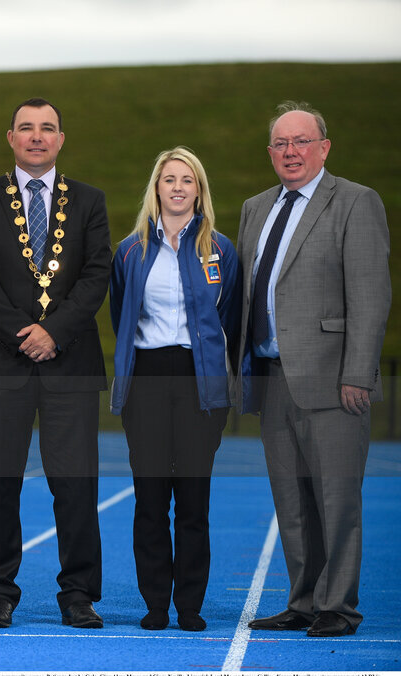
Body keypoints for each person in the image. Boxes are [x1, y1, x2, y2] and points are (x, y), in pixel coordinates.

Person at [237, 102, 390, 638]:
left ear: (324, 148)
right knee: (292, 501)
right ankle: (303, 600)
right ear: (271, 153)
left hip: (331, 378)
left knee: (336, 497)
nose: (291, 152)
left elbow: (371, 296)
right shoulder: (256, 207)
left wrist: (359, 373)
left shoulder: (354, 202)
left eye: (302, 141)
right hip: (272, 374)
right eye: (281, 144)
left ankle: (339, 606)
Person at [0, 97, 110, 629]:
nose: (37, 137)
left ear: (61, 139)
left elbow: (97, 275)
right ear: (11, 137)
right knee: (0, 480)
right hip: (4, 358)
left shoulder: (90, 201)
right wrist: (25, 334)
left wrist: (55, 332)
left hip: (69, 360)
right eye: (27, 128)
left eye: (48, 128)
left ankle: (78, 594)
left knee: (74, 482)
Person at [109, 147, 241, 632]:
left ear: (199, 190)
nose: (179, 187)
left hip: (199, 382)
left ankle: (189, 605)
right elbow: (121, 312)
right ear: (157, 188)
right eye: (170, 179)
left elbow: (229, 319)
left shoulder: (220, 250)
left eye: (188, 179)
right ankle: (156, 604)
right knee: (149, 499)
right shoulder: (130, 250)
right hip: (146, 379)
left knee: (192, 499)